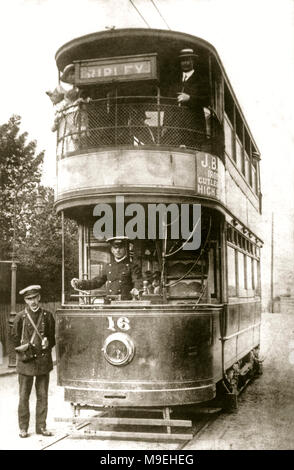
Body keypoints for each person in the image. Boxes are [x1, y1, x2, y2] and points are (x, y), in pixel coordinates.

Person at [12, 285, 55, 438]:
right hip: (26, 362)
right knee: (24, 396)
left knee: (42, 395)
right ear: (25, 300)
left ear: (39, 298)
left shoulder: (48, 316)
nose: (33, 302)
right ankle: (23, 428)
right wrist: (25, 350)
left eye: (35, 298)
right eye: (29, 299)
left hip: (43, 361)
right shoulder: (20, 317)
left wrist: (47, 343)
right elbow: (15, 340)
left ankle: (41, 427)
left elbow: (53, 338)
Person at [71, 237, 142, 300]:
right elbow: (97, 282)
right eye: (115, 248)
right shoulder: (108, 266)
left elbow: (137, 281)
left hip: (124, 304)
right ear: (112, 250)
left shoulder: (132, 266)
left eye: (120, 248)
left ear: (125, 249)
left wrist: (136, 289)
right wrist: (80, 283)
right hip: (109, 303)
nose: (118, 250)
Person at [163, 48, 209, 148]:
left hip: (193, 127)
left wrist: (189, 98)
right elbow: (169, 103)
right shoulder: (175, 80)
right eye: (183, 60)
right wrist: (165, 124)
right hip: (175, 128)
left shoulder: (201, 79)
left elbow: (207, 99)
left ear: (193, 61)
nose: (185, 63)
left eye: (188, 60)